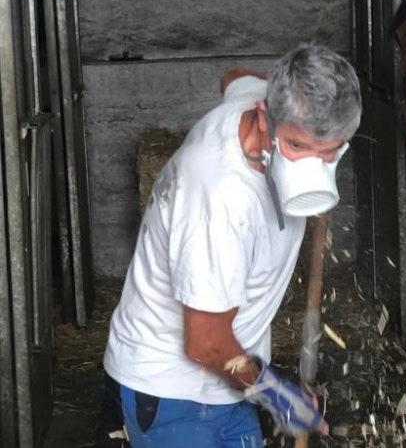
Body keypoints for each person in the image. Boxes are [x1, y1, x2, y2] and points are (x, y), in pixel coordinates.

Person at [99, 43, 362, 448]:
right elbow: (204, 342)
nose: (314, 165)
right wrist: (277, 393)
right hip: (172, 390)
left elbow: (234, 75)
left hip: (230, 382)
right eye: (297, 147)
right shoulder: (221, 200)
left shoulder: (254, 96)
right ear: (265, 116)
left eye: (329, 153)